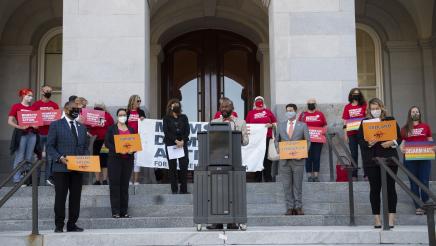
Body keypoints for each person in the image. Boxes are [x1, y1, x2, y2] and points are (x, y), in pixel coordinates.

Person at [357, 98, 401, 228]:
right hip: (372, 160)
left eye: (377, 108)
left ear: (382, 108)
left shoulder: (390, 120)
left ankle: (391, 218)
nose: (375, 111)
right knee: (375, 189)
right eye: (372, 108)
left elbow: (399, 136)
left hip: (390, 160)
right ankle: (377, 219)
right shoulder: (365, 122)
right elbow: (360, 139)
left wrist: (392, 142)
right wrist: (367, 143)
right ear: (369, 110)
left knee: (390, 189)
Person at [207, 97, 249, 230]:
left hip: (235, 161)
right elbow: (209, 140)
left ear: (232, 108)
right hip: (217, 160)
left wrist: (240, 136)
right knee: (217, 191)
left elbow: (246, 141)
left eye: (226, 107)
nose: (224, 109)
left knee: (234, 191)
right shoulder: (214, 122)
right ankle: (217, 221)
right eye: (222, 107)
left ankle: (233, 221)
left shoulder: (240, 122)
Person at [47, 101, 89, 233]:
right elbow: (49, 146)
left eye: (77, 109)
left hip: (78, 168)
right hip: (61, 168)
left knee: (75, 197)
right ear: (65, 109)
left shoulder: (82, 127)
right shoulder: (56, 125)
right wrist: (59, 158)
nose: (76, 111)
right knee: (60, 197)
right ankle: (59, 225)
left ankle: (72, 224)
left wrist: (86, 159)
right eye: (73, 109)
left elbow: (85, 148)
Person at [400, 106, 435, 215]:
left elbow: (430, 140)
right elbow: (402, 143)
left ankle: (426, 202)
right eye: (413, 111)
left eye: (417, 111)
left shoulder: (426, 126)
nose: (415, 113)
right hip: (410, 159)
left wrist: (433, 147)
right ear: (410, 114)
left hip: (424, 157)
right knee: (413, 182)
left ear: (419, 114)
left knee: (424, 180)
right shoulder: (405, 128)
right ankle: (418, 206)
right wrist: (401, 148)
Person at [276, 103, 310, 216]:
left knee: (297, 185)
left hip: (298, 160)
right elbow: (277, 140)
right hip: (284, 161)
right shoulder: (280, 125)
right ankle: (290, 208)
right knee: (286, 185)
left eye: (291, 110)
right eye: (287, 110)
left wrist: (303, 153)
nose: (289, 112)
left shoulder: (303, 125)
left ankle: (298, 207)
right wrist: (279, 150)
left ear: (295, 111)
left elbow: (308, 141)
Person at [105, 108, 135, 218]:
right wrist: (118, 149)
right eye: (120, 114)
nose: (123, 116)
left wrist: (133, 149)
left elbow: (135, 143)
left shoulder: (131, 129)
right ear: (117, 116)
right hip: (115, 160)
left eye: (124, 115)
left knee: (124, 186)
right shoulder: (111, 129)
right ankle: (116, 211)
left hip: (127, 160)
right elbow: (107, 143)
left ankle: (124, 211)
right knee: (115, 185)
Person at [8, 88, 38, 185]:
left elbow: (37, 123)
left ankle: (26, 179)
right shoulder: (16, 106)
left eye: (31, 96)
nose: (31, 97)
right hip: (21, 134)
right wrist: (19, 126)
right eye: (28, 95)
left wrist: (35, 125)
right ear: (23, 96)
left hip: (32, 134)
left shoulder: (33, 108)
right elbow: (10, 121)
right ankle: (17, 179)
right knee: (20, 156)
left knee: (29, 157)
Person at [245, 96, 277, 182]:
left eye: (261, 100)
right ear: (254, 103)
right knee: (257, 158)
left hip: (267, 138)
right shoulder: (250, 113)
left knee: (267, 159)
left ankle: (268, 178)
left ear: (263, 102)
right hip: (255, 140)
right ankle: (257, 179)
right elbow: (246, 125)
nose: (259, 102)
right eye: (257, 101)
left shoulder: (268, 112)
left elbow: (275, 123)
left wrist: (271, 125)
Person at [32, 86, 59, 186]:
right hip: (39, 134)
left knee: (50, 158)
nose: (49, 92)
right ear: (42, 91)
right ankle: (37, 181)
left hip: (50, 134)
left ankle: (48, 179)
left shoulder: (54, 105)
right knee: (38, 157)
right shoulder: (36, 105)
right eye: (47, 90)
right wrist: (34, 124)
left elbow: (57, 120)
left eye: (50, 91)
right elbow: (31, 118)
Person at [163, 99, 190, 194]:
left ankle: (184, 189)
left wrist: (182, 140)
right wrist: (175, 141)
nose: (176, 106)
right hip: (171, 144)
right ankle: (174, 189)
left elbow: (187, 130)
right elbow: (166, 132)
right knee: (172, 167)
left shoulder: (184, 117)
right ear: (170, 106)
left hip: (182, 144)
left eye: (178, 105)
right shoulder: (166, 118)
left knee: (184, 165)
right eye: (174, 105)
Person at [298, 99, 327, 182]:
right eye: (309, 103)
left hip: (318, 140)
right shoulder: (303, 115)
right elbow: (299, 126)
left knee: (317, 157)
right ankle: (309, 176)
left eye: (312, 103)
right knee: (308, 158)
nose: (311, 105)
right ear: (307, 104)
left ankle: (316, 176)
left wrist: (323, 133)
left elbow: (325, 125)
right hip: (306, 140)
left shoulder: (320, 114)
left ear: (315, 104)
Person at [342, 88, 367, 180]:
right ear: (350, 95)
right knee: (353, 154)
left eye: (357, 94)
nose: (355, 95)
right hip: (351, 133)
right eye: (354, 94)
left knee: (365, 153)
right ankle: (354, 174)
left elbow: (367, 117)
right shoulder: (347, 107)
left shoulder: (364, 105)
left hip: (363, 133)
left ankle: (366, 174)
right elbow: (345, 121)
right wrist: (345, 134)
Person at [89, 103, 114, 185]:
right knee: (98, 161)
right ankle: (99, 180)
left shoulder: (107, 116)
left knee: (104, 161)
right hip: (98, 141)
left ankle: (103, 180)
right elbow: (89, 128)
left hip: (104, 141)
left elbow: (112, 128)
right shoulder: (92, 116)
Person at [126, 95, 148, 185]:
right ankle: (129, 179)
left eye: (140, 101)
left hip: (138, 138)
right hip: (127, 138)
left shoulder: (141, 112)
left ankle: (136, 180)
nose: (139, 102)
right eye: (137, 101)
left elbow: (145, 124)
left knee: (137, 160)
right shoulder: (127, 112)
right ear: (132, 101)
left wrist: (143, 119)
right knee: (128, 159)